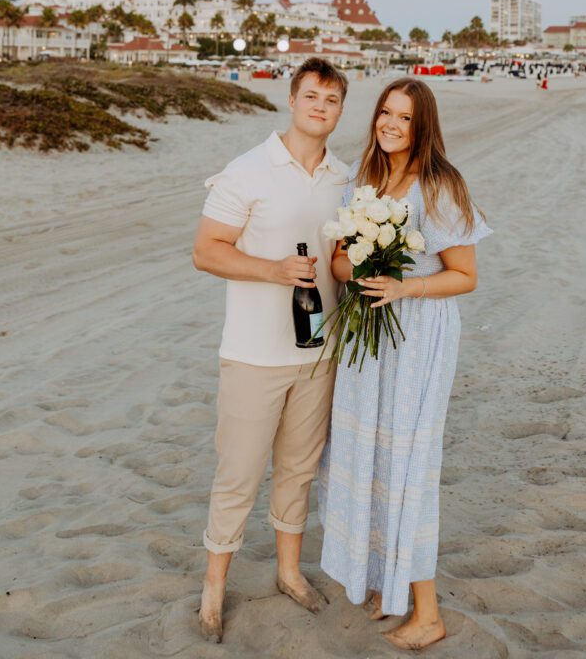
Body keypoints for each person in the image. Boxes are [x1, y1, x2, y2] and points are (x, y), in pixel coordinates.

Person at [318, 78, 491, 651]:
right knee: (368, 455)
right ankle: (382, 585)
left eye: (405, 117)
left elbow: (464, 276)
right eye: (385, 113)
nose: (391, 124)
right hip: (368, 342)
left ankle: (427, 612)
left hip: (417, 339)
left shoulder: (440, 185)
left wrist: (403, 287)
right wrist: (360, 264)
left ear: (424, 126)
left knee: (408, 465)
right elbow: (339, 263)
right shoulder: (364, 180)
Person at [192, 58, 349, 642]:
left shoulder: (343, 178)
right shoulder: (248, 170)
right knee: (237, 474)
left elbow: (339, 261)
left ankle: (289, 572)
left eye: (331, 100)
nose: (320, 107)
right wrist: (275, 269)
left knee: (299, 470)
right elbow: (207, 251)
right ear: (291, 99)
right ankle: (213, 589)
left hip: (318, 352)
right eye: (311, 96)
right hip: (254, 355)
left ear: (339, 110)